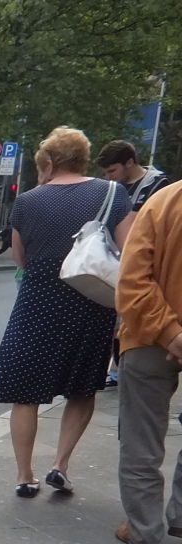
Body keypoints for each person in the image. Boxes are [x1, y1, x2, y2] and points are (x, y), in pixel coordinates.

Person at [0, 126, 131, 498]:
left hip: (36, 306)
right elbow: (126, 255)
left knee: (26, 396)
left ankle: (23, 475)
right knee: (82, 390)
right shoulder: (113, 193)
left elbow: (20, 260)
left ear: (48, 163)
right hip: (90, 306)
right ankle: (60, 465)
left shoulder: (28, 202)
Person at [112, 181, 182, 544]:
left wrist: (170, 333)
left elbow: (132, 281)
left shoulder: (163, 202)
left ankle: (144, 529)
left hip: (148, 340)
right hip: (158, 337)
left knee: (141, 439)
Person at [95, 141, 171, 388]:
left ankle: (119, 368)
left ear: (130, 163)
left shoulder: (159, 186)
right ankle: (114, 367)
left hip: (142, 264)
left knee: (128, 315)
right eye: (105, 173)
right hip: (111, 261)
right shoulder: (110, 189)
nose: (109, 177)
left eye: (112, 171)